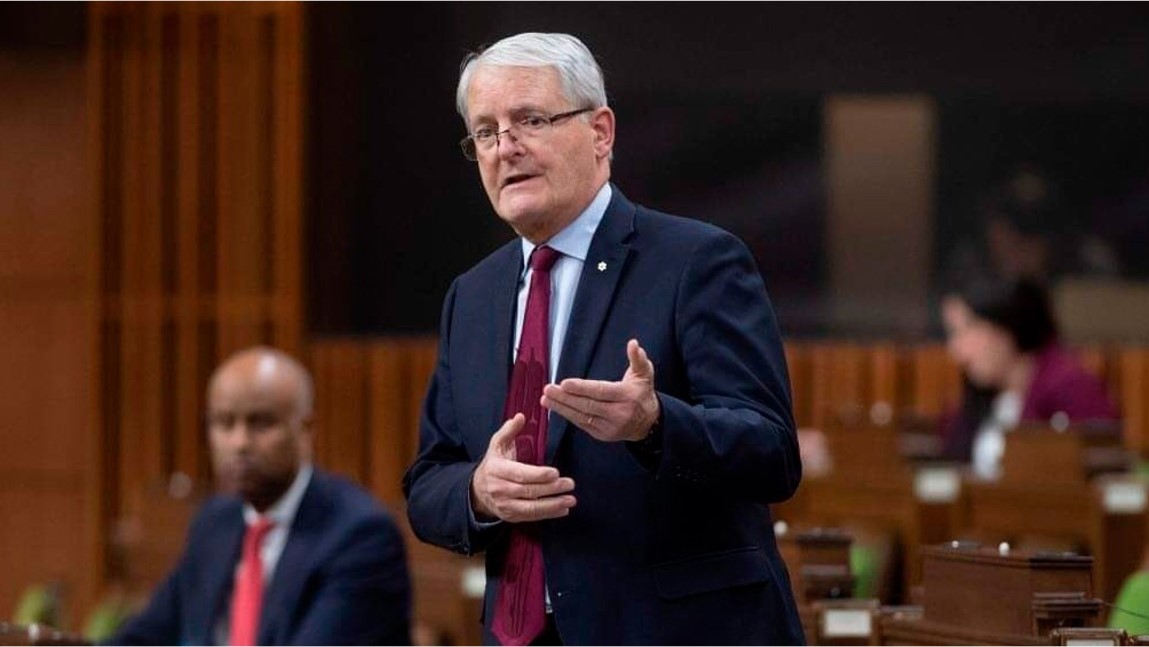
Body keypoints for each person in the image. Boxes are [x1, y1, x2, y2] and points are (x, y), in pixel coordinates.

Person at [401, 32, 804, 646]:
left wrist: (656, 424)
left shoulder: (697, 261)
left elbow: (772, 454)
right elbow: (430, 482)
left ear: (601, 131)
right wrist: (479, 491)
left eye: (530, 120)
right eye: (485, 131)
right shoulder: (473, 296)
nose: (505, 148)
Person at [112, 346, 413, 645]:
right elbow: (146, 635)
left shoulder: (360, 535)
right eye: (224, 423)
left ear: (305, 429)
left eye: (261, 423)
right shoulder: (215, 522)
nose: (240, 443)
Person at [939, 278, 1120, 479]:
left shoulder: (1072, 388)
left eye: (966, 331)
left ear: (1005, 329)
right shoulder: (978, 397)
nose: (956, 350)